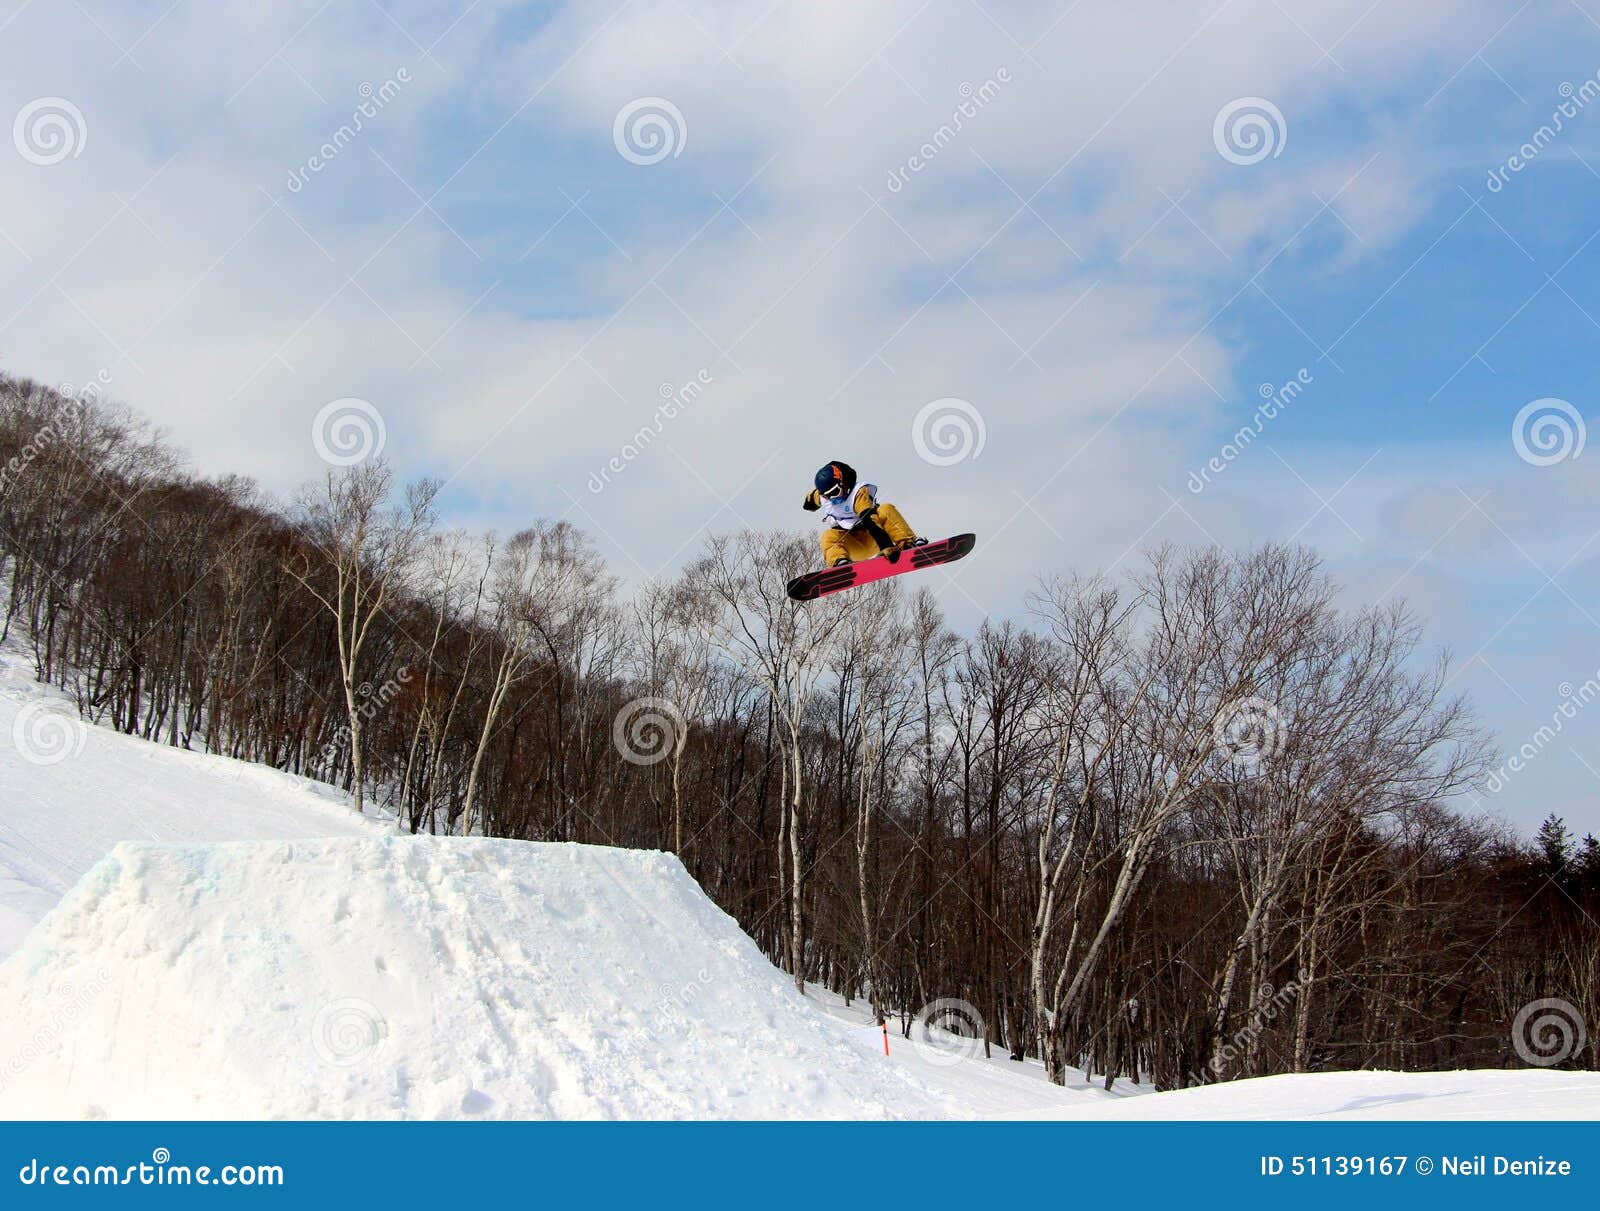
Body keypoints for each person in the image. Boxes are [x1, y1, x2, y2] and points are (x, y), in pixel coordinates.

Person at [802, 461, 926, 567]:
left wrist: (886, 545)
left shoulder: (858, 494)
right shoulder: (823, 497)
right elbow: (812, 497)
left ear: (843, 483)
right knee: (828, 536)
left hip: (874, 538)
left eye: (835, 492)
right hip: (854, 545)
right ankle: (839, 561)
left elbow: (869, 519)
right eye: (827, 495)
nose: (832, 498)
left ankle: (907, 543)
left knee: (885, 509)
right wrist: (808, 504)